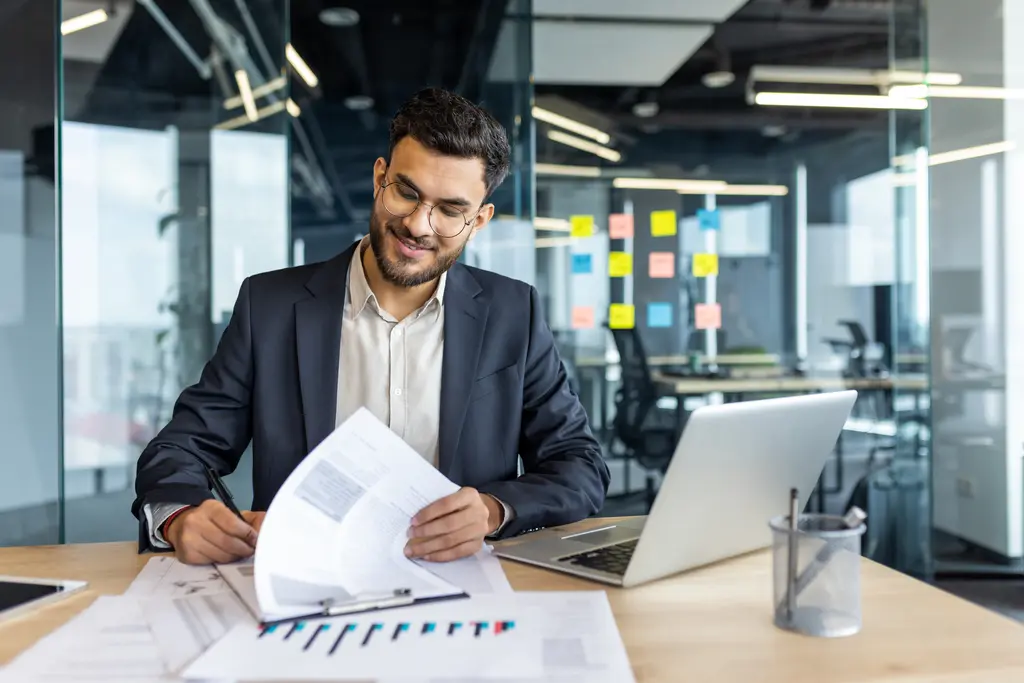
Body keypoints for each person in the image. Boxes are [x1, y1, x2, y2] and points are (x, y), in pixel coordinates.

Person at [131, 87, 609, 566]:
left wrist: (492, 510)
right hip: (307, 582)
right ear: (381, 178)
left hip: (461, 586)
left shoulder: (512, 313)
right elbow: (182, 447)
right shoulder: (271, 307)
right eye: (407, 193)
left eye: (450, 210)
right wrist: (180, 517)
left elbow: (579, 465)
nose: (420, 225)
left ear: (479, 219)